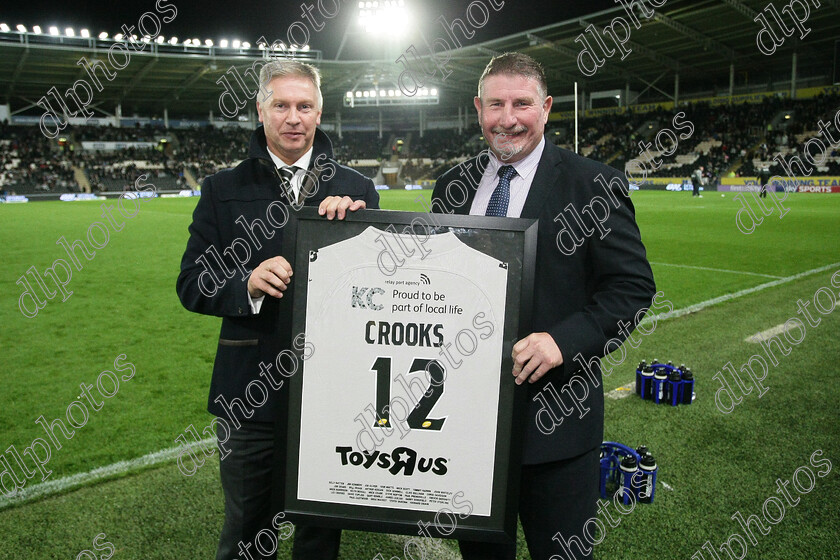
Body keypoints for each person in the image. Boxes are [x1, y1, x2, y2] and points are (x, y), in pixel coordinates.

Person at [431, 52, 655, 560]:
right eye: (495, 104)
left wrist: (562, 341)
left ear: (547, 107)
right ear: (477, 109)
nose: (507, 118)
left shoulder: (592, 183)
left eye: (521, 103)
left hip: (556, 427)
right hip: (467, 429)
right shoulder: (452, 185)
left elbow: (631, 288)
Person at [176, 60, 378, 560]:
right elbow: (191, 283)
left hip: (334, 393)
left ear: (320, 112)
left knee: (318, 533)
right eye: (281, 105)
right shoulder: (221, 189)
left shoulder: (356, 188)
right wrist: (245, 283)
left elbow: (382, 291)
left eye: (304, 106)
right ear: (260, 110)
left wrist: (357, 235)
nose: (293, 117)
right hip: (249, 394)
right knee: (247, 531)